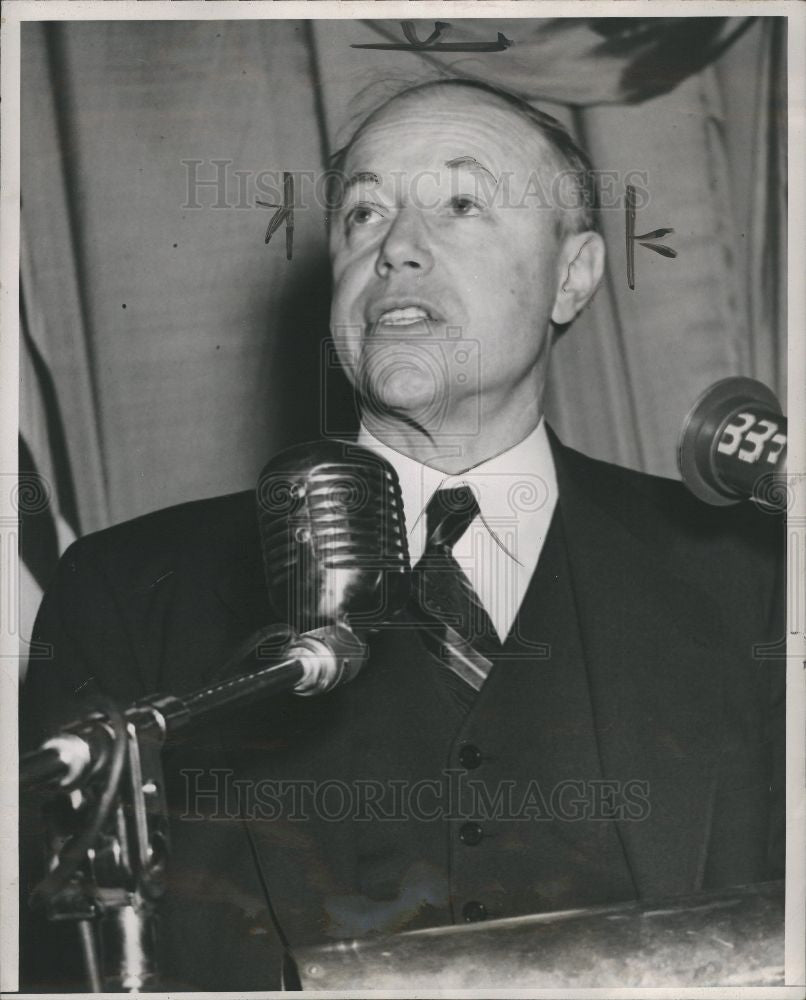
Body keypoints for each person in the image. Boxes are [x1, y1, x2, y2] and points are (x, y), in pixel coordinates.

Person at [20, 79, 784, 992]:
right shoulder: (130, 593)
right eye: (364, 213)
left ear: (573, 276)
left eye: (462, 205)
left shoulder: (756, 578)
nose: (397, 251)